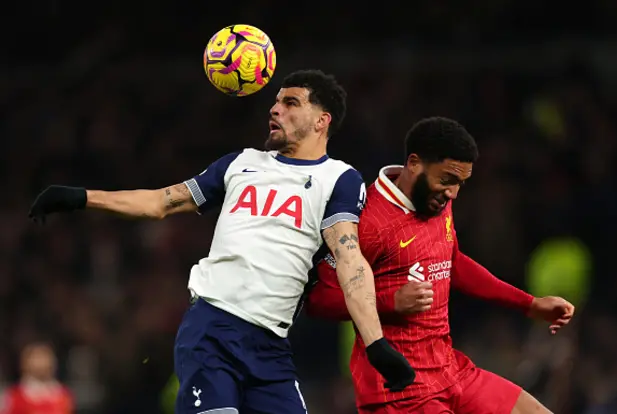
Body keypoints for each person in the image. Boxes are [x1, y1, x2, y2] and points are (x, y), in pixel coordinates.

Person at [27, 69, 415, 414]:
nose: (275, 109)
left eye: (290, 102)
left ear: (321, 121)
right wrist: (82, 197)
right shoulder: (240, 164)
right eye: (276, 101)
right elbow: (161, 201)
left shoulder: (339, 179)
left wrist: (376, 343)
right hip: (212, 329)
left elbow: (350, 260)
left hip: (271, 345)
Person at [305, 116, 576, 414]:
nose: (453, 193)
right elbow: (319, 300)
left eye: (460, 183)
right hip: (400, 389)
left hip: (449, 369)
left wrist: (529, 304)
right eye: (447, 180)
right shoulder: (366, 219)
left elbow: (453, 261)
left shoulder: (437, 200)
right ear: (414, 164)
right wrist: (391, 301)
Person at [0, 342, 74, 414]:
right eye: (37, 358)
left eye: (45, 357)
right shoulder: (14, 396)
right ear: (24, 363)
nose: (42, 363)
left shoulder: (63, 394)